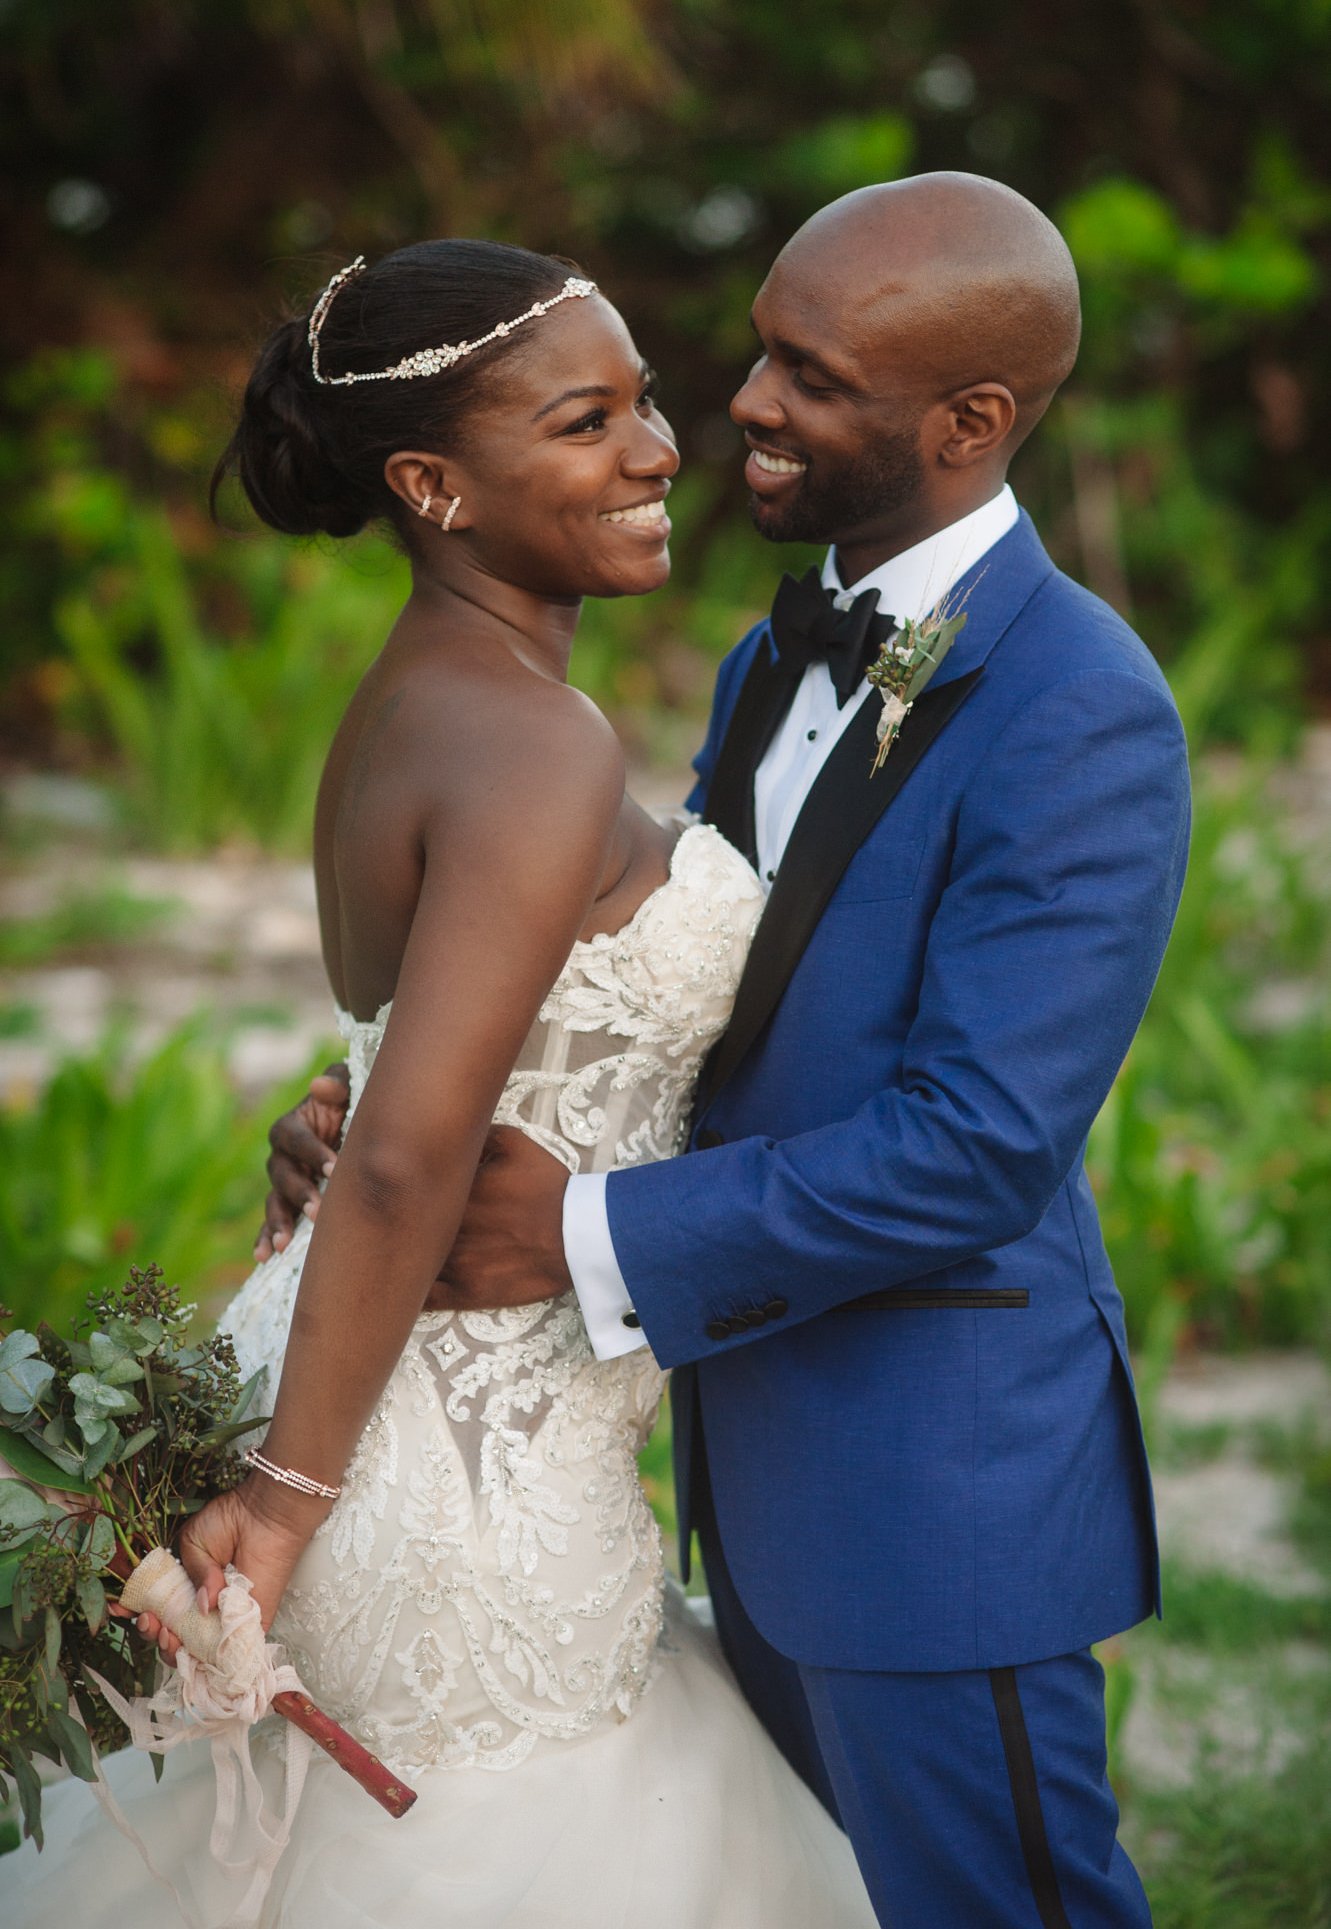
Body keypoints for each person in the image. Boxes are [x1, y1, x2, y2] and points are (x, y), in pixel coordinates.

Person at [266, 174, 1192, 1929]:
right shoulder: (771, 663)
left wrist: (583, 1233)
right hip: (725, 1462)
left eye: (813, 378)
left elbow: (981, 1144)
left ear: (970, 422)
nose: (743, 408)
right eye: (762, 348)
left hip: (934, 1482)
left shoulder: (1083, 707)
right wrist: (396, 1112)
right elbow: (655, 1006)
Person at [7, 239, 876, 1927]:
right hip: (443, 1446)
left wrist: (321, 1147)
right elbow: (404, 1160)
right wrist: (283, 1500)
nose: (657, 449)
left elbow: (381, 1022)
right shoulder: (530, 740)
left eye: (639, 403)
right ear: (432, 484)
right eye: (585, 421)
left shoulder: (408, 705)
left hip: (371, 1382)